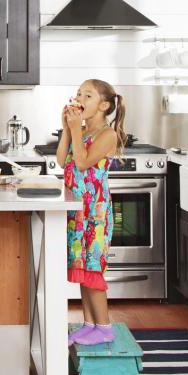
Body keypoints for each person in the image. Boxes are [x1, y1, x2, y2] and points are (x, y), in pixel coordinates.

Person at [59, 79, 126, 346]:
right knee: (83, 268)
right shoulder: (82, 131)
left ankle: (105, 327)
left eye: (87, 95)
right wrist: (67, 129)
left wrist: (76, 130)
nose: (79, 98)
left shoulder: (107, 135)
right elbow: (60, 158)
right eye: (78, 93)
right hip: (78, 213)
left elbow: (83, 162)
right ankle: (89, 324)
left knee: (93, 271)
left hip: (95, 215)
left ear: (104, 105)